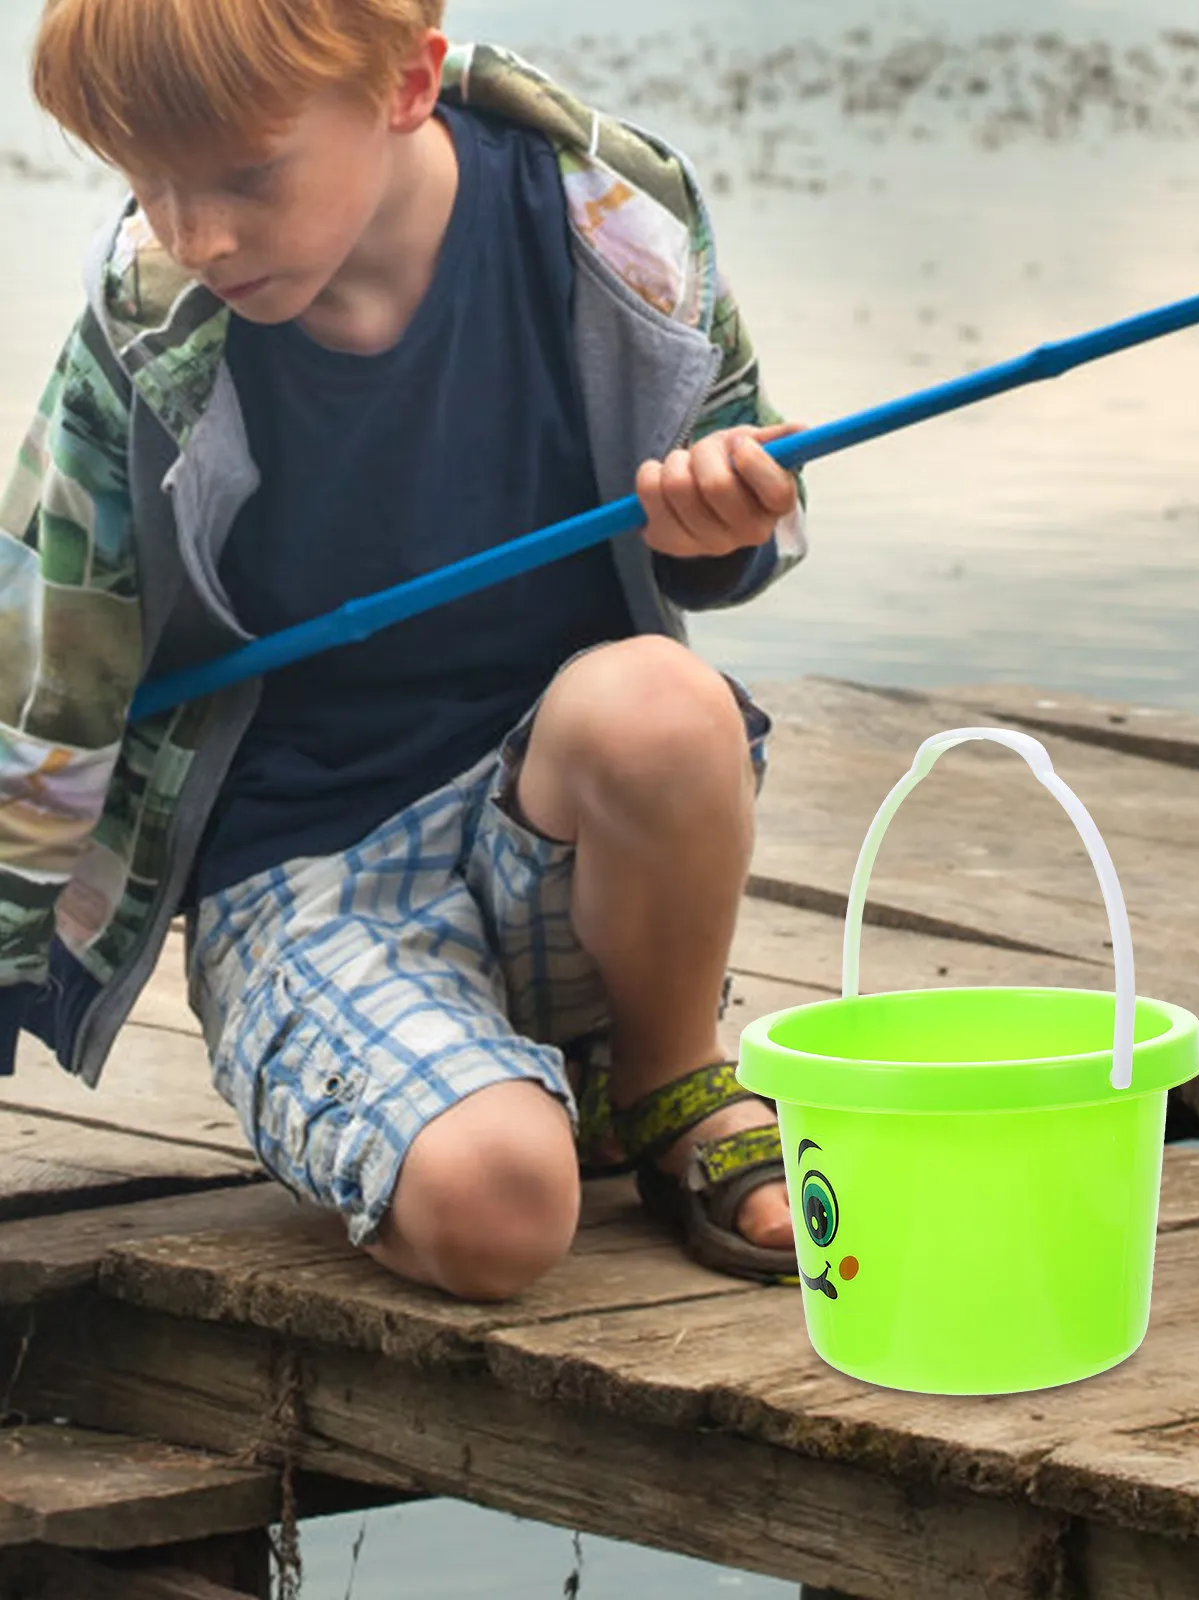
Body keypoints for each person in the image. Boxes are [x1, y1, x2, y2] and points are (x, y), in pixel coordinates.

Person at [0, 0, 809, 1300]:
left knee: (662, 700)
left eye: (245, 177)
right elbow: (46, 675)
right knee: (502, 1212)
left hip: (576, 856)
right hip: (309, 878)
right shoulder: (147, 318)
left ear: (406, 84)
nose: (197, 236)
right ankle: (467, 1100)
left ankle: (665, 1080)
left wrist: (718, 525)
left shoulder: (614, 214)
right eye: (149, 184)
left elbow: (749, 523)